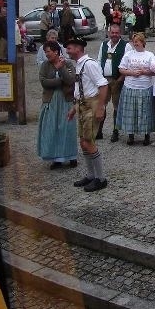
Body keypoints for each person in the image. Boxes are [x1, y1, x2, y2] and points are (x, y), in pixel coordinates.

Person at [65, 37, 109, 193]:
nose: (67, 51)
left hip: (91, 105)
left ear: (78, 48)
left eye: (69, 48)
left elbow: (103, 85)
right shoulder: (79, 64)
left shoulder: (89, 64)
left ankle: (101, 178)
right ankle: (91, 175)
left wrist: (101, 108)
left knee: (88, 141)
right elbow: (80, 88)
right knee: (83, 142)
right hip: (82, 105)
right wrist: (74, 108)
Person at [37, 40, 78, 169]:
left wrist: (61, 68)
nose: (46, 54)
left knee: (67, 128)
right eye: (45, 52)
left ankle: (71, 156)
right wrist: (60, 80)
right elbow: (44, 82)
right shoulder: (45, 65)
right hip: (51, 100)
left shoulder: (67, 63)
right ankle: (56, 158)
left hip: (66, 100)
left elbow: (71, 80)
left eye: (48, 51)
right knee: (52, 128)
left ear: (56, 52)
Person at [116, 33, 154, 146]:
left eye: (137, 41)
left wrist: (144, 72)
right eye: (134, 41)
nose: (135, 43)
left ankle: (146, 135)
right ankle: (131, 135)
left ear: (143, 42)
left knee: (145, 111)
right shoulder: (128, 54)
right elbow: (121, 69)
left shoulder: (150, 55)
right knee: (131, 112)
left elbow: (154, 72)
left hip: (145, 87)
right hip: (130, 86)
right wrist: (131, 72)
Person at [95, 23, 131, 142]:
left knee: (117, 107)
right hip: (104, 80)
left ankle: (115, 132)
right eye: (112, 33)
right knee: (102, 104)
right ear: (108, 33)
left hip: (117, 80)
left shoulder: (126, 46)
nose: (114, 35)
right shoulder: (104, 44)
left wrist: (121, 79)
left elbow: (129, 64)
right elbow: (99, 60)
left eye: (116, 33)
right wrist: (99, 77)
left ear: (120, 33)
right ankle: (99, 131)